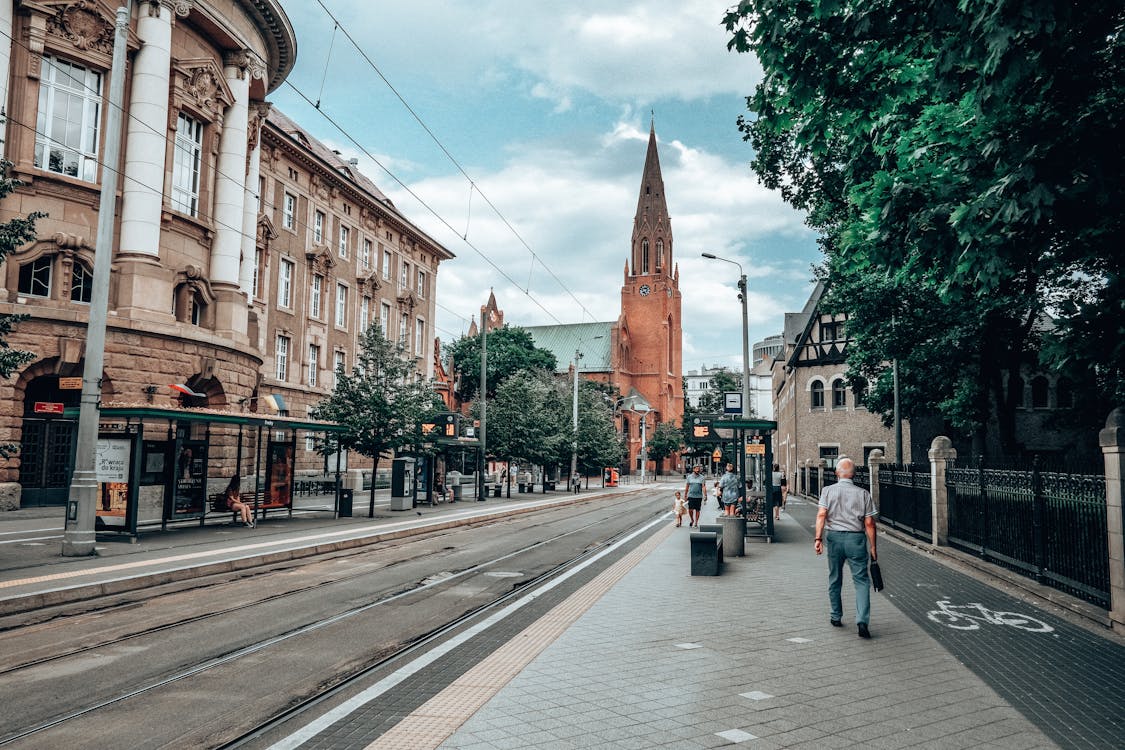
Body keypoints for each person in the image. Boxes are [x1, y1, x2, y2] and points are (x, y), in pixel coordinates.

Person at [814, 457, 878, 638]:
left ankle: (836, 616)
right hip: (856, 539)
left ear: (836, 473)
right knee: (862, 581)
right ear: (854, 475)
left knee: (835, 578)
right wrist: (873, 546)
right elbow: (869, 523)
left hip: (834, 538)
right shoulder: (863, 494)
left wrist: (818, 538)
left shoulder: (827, 491)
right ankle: (862, 621)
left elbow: (821, 514)